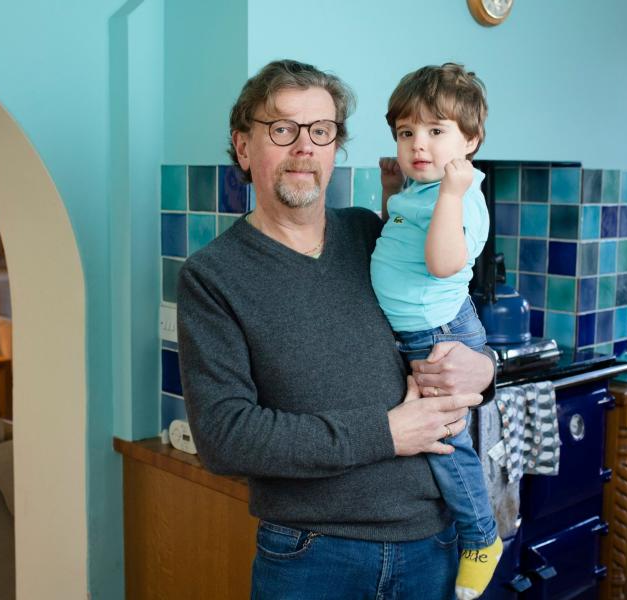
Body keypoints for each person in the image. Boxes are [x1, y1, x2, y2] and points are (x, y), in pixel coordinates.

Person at [176, 59, 497, 600]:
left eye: (321, 131)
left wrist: (485, 367)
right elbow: (226, 438)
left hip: (433, 545)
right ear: (243, 146)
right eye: (282, 129)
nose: (304, 147)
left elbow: (451, 321)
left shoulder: (373, 235)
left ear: (334, 147)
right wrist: (387, 434)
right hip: (312, 556)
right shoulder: (213, 277)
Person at [370, 63, 500, 600]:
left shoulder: (459, 197)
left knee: (448, 447)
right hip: (420, 332)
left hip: (440, 335)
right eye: (406, 132)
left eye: (436, 130)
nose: (418, 144)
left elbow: (445, 262)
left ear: (470, 141)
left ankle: (481, 537)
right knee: (437, 441)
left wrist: (450, 194)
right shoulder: (421, 191)